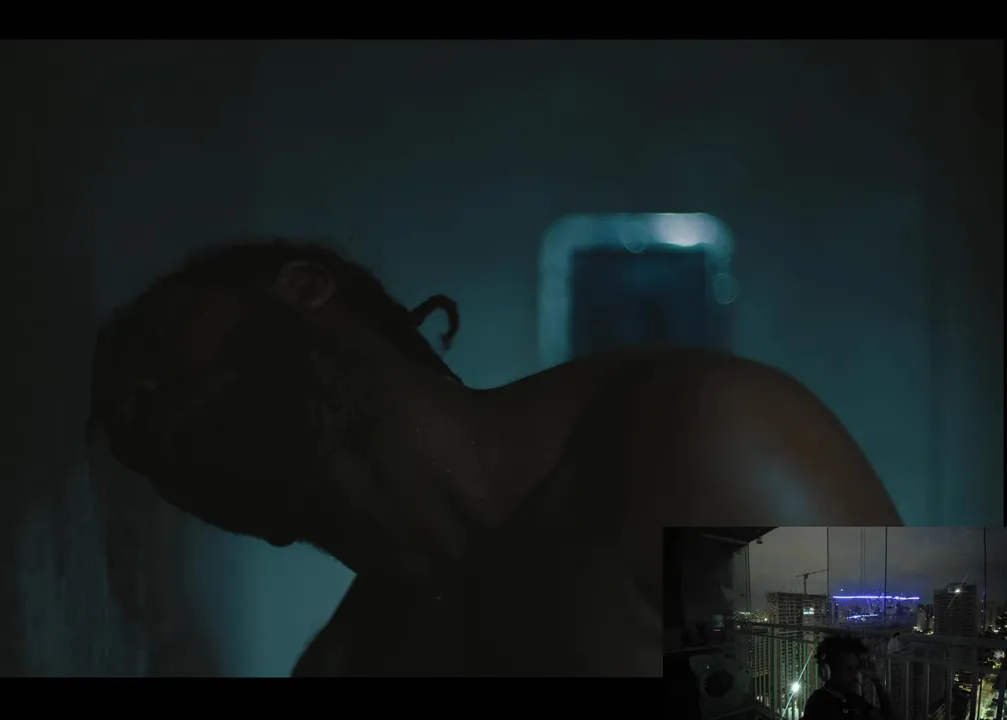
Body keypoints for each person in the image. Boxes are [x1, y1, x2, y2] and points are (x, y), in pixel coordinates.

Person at [88, 238, 902, 676]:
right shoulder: (346, 665)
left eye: (157, 346)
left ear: (302, 289)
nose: (135, 406)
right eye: (123, 435)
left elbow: (909, 704)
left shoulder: (695, 433)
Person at [802, 635, 894, 720]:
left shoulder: (851, 699)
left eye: (855, 669)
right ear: (829, 671)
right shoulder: (819, 704)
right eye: (848, 669)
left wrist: (876, 679)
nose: (855, 676)